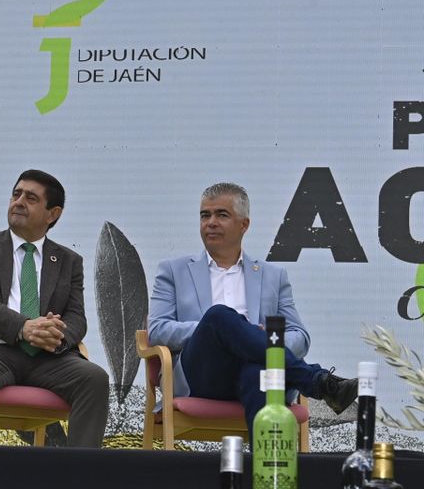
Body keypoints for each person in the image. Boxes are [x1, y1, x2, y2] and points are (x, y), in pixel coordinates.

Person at [147, 182, 357, 433]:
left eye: (221, 215)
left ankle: (264, 469)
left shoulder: (273, 276)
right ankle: (316, 381)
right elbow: (157, 330)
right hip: (203, 375)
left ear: (244, 224)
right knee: (218, 316)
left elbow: (300, 337)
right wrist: (219, 331)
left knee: (256, 370)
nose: (211, 222)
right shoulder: (173, 270)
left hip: (257, 374)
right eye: (205, 215)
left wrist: (261, 339)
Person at [0, 170, 109, 447]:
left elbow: (76, 316)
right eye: (16, 194)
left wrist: (55, 335)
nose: (19, 201)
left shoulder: (69, 260)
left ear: (52, 214)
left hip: (48, 358)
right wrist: (23, 327)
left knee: (94, 378)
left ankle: (81, 481)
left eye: (31, 198)